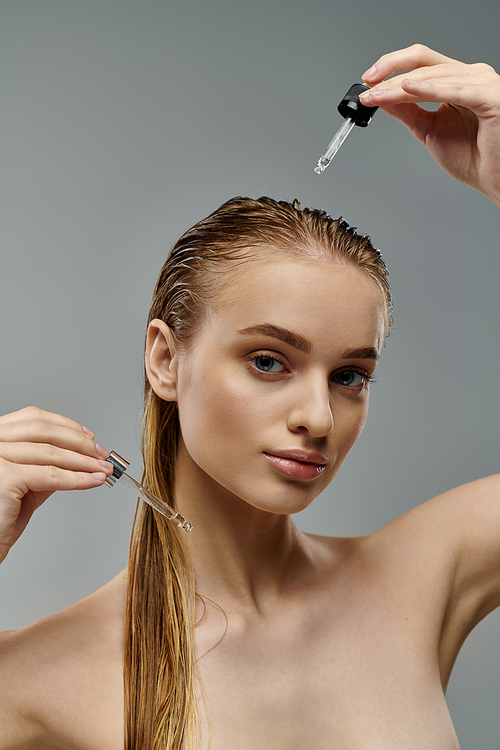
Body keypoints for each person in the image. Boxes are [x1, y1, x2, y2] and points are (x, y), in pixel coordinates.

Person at [0, 44, 499, 750]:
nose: (319, 417)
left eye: (350, 376)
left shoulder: (423, 576)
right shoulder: (35, 677)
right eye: (269, 361)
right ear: (165, 360)